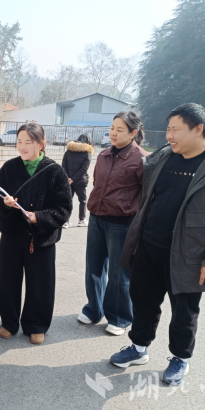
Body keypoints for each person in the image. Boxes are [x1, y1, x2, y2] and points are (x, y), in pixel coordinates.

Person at [111, 104, 205, 386]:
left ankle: (180, 358)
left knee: (184, 310)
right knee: (143, 299)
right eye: (168, 129)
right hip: (149, 245)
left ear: (198, 129)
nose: (169, 136)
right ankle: (139, 347)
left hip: (190, 254)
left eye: (175, 129)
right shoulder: (164, 157)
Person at [0, 123, 72, 345]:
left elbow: (64, 208)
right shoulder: (9, 167)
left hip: (41, 238)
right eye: (19, 141)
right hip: (11, 235)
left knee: (40, 284)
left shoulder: (55, 171)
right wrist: (5, 203)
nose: (22, 146)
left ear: (41, 144)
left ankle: (36, 325)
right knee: (7, 281)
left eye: (28, 142)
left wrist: (40, 217)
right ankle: (9, 322)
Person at [78, 112, 149, 336]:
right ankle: (93, 309)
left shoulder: (142, 159)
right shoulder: (104, 155)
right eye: (112, 128)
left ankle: (119, 317)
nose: (113, 133)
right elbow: (98, 183)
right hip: (97, 218)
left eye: (120, 129)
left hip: (122, 223)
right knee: (94, 267)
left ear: (133, 133)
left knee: (119, 274)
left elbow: (147, 194)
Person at [62, 133, 94, 228]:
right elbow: (83, 169)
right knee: (82, 200)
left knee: (68, 200)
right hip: (80, 181)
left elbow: (63, 166)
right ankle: (82, 220)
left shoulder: (68, 151)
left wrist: (68, 178)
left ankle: (65, 221)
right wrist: (73, 179)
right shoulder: (87, 153)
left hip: (68, 181)